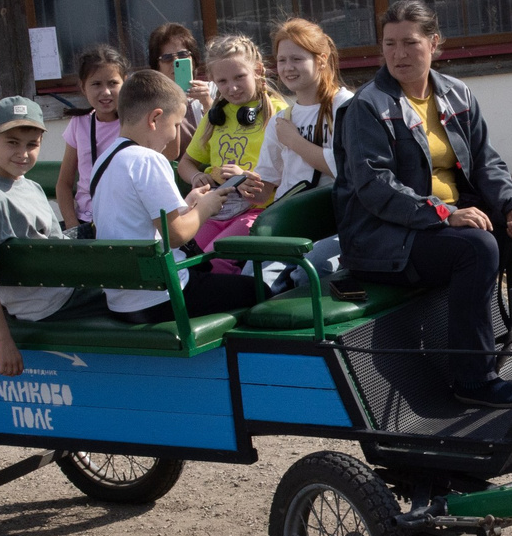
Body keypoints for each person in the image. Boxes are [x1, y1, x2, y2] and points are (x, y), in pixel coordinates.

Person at [333, 0, 512, 405]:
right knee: (476, 248)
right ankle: (473, 380)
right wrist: (445, 214)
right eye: (389, 44)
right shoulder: (366, 107)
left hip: (443, 225)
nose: (398, 54)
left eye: (410, 43)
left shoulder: (457, 93)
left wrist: (510, 205)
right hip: (385, 238)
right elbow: (376, 187)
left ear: (434, 43)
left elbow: (487, 162)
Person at [88, 69, 262, 324]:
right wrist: (205, 208)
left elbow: (141, 221)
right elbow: (177, 235)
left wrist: (189, 204)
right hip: (164, 297)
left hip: (122, 301)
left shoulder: (104, 160)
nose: (175, 134)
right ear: (155, 118)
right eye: (177, 124)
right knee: (260, 291)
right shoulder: (148, 159)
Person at [0, 98, 105, 375]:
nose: (23, 153)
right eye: (12, 142)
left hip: (66, 289)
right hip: (50, 304)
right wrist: (2, 339)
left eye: (32, 144)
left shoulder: (32, 186)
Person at [178, 34, 285, 262]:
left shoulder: (277, 112)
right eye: (222, 81)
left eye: (240, 77)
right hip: (216, 209)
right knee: (184, 259)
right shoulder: (215, 116)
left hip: (257, 212)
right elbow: (186, 163)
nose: (232, 87)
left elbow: (290, 169)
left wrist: (242, 177)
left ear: (258, 70)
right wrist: (197, 176)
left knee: (215, 261)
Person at [265, 17, 350, 196]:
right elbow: (264, 189)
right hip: (291, 214)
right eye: (282, 60)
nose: (288, 68)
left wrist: (294, 141)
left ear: (321, 60)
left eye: (296, 59)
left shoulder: (344, 105)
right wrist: (244, 183)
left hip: (333, 213)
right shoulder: (280, 120)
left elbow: (347, 168)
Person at [53, 43, 128, 237]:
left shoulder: (134, 123)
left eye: (113, 83)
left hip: (125, 221)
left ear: (125, 83)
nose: (105, 92)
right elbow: (63, 184)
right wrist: (73, 225)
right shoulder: (80, 123)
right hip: (87, 222)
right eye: (96, 84)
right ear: (83, 87)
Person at [147, 20, 205, 136]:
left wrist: (208, 104)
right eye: (167, 57)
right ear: (157, 65)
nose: (175, 62)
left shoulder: (215, 90)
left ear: (193, 59)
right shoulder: (151, 104)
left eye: (183, 55)